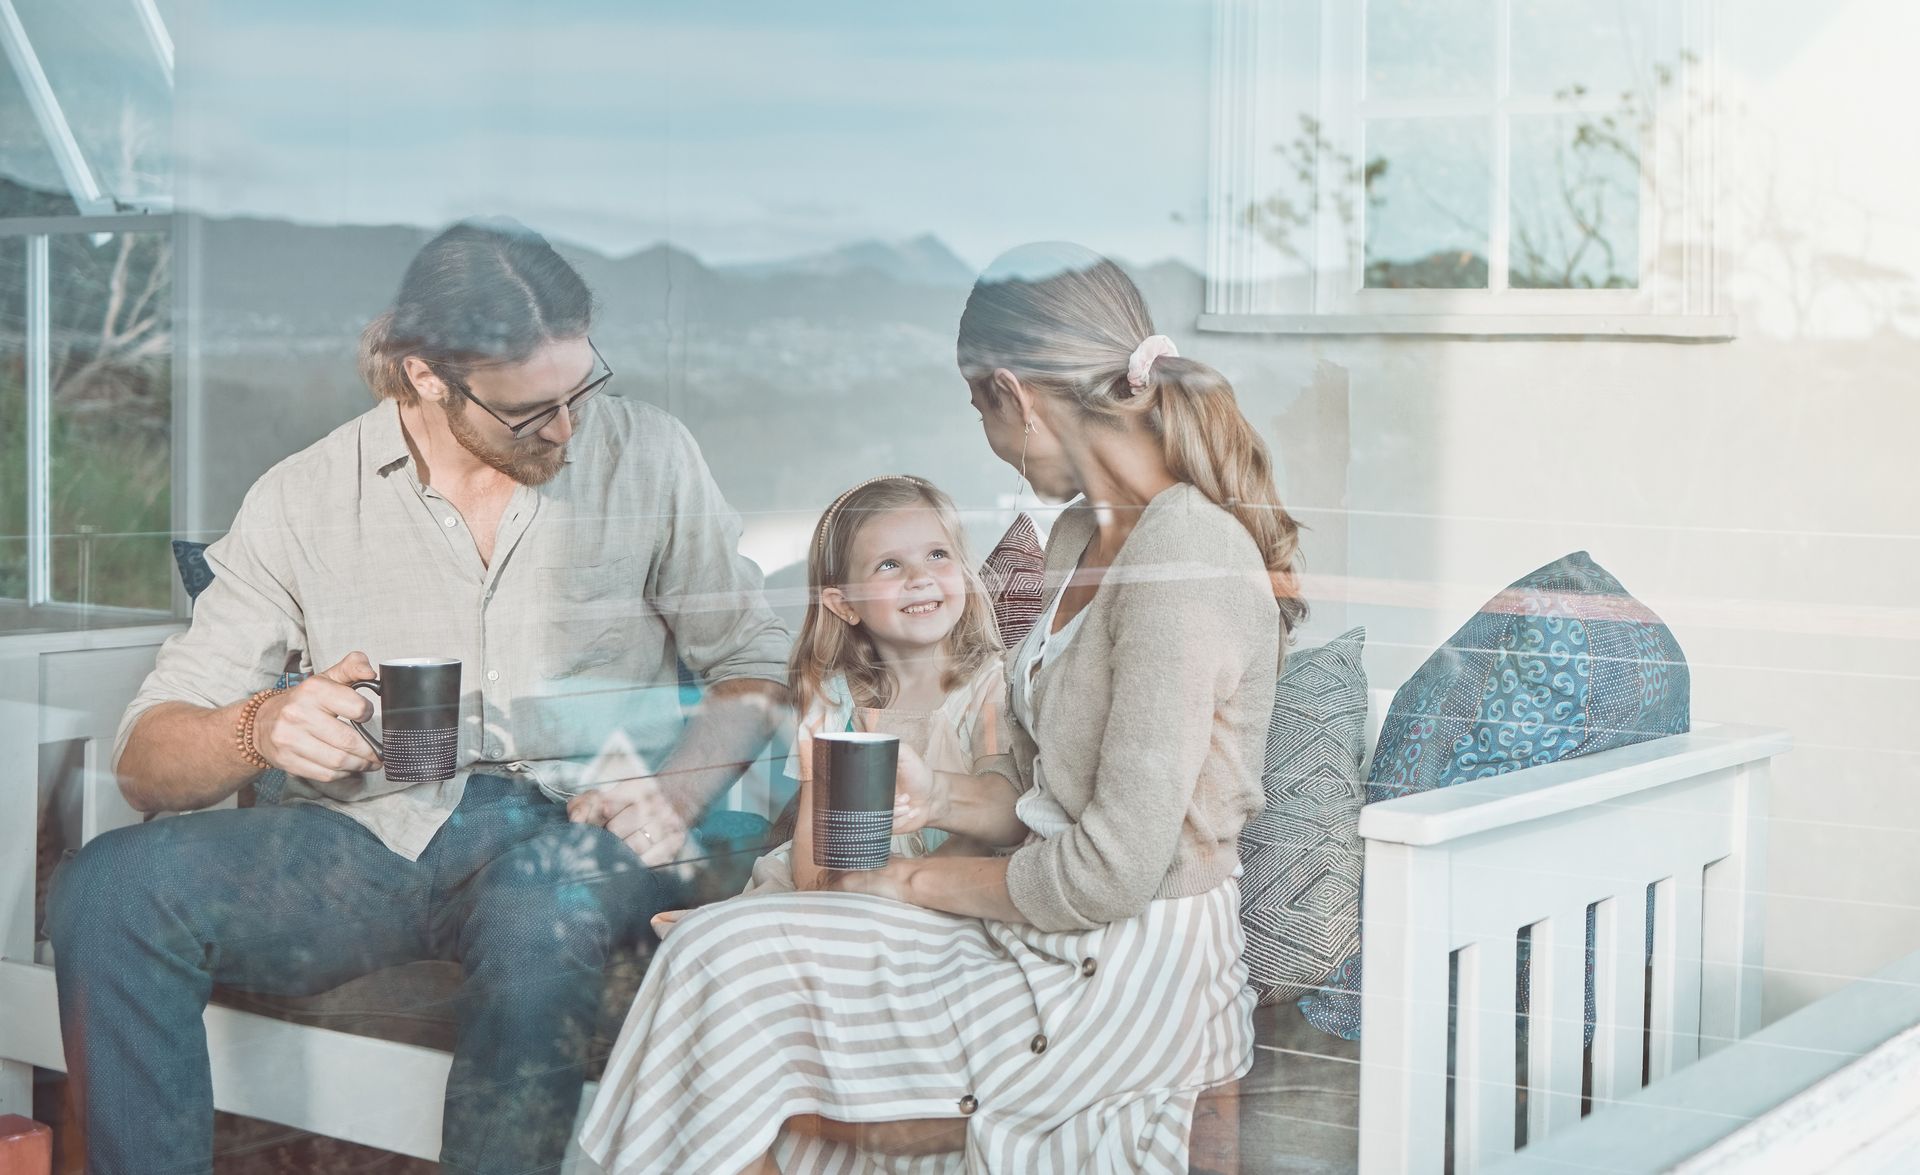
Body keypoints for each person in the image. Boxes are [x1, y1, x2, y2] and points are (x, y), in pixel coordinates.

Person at [44, 220, 791, 1175]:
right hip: (368, 844)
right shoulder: (302, 497)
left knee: (539, 900)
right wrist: (261, 726)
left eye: (580, 391)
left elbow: (755, 658)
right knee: (110, 886)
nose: (568, 430)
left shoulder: (650, 455)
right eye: (531, 412)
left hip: (582, 824)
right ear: (426, 374)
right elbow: (149, 758)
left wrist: (678, 790)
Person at [578, 241, 1308, 1173]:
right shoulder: (1087, 531)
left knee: (723, 967)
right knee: (720, 953)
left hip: (1128, 967)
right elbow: (1046, 792)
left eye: (980, 409)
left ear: (1015, 392)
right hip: (1053, 922)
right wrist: (939, 798)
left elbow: (1110, 872)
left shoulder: (1183, 560)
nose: (988, 440)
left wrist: (909, 883)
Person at [742, 474, 1012, 897]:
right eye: (890, 564)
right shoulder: (832, 700)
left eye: (938, 554)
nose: (920, 577)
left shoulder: (990, 686)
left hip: (953, 889)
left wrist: (902, 888)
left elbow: (1003, 815)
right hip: (849, 891)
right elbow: (815, 845)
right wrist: (833, 896)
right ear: (844, 604)